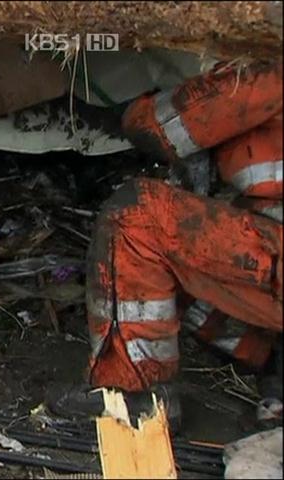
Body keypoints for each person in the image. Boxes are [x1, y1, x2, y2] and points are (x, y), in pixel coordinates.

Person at [52, 62, 283, 425]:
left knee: (136, 217)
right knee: (182, 274)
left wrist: (145, 102)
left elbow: (162, 129)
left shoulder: (267, 69)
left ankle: (133, 394)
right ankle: (274, 362)